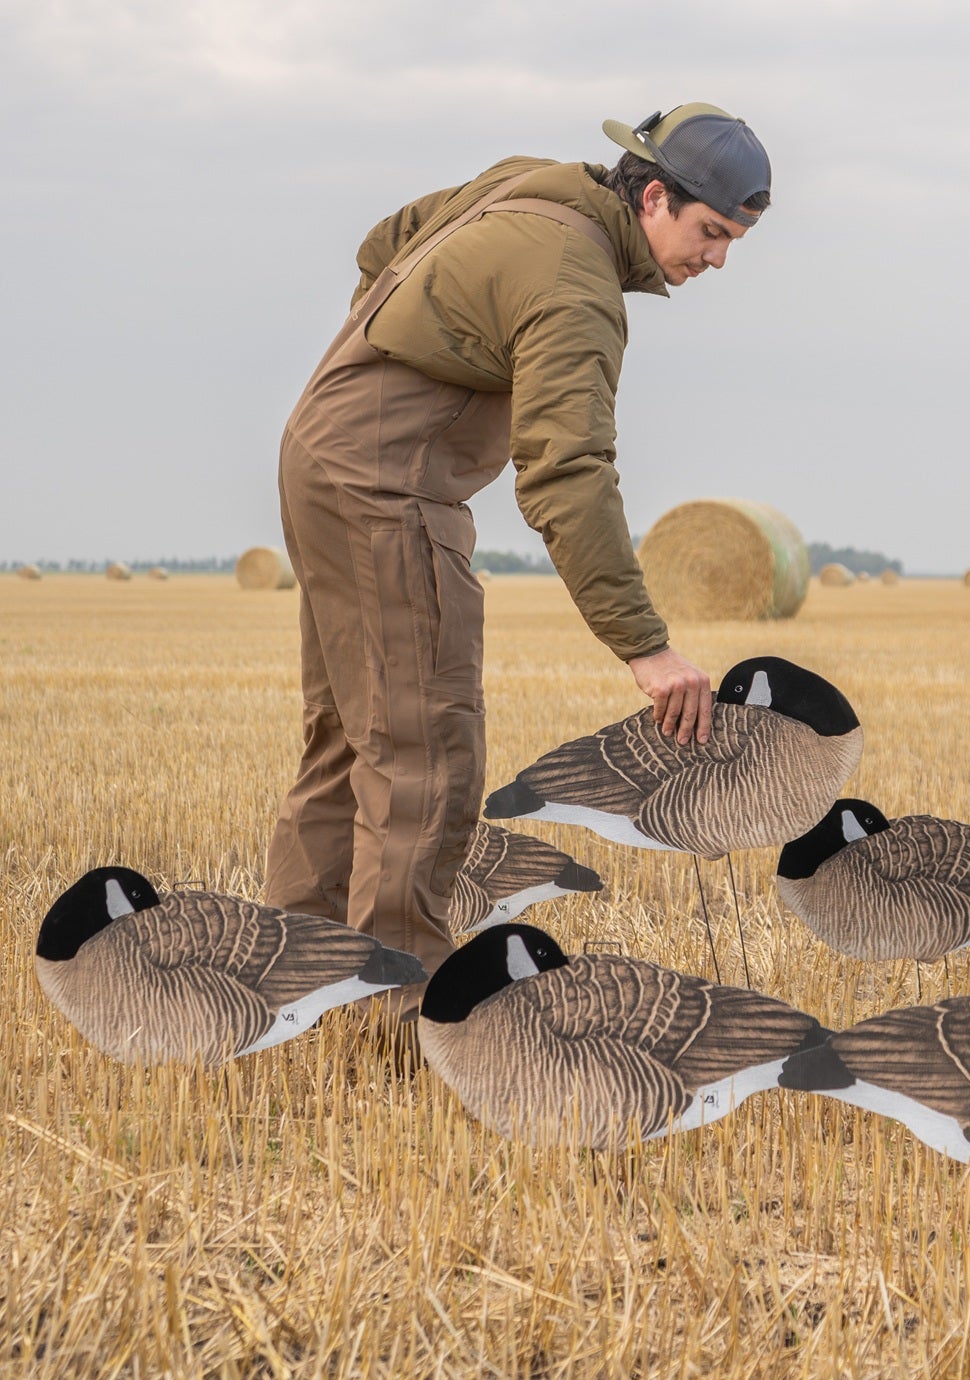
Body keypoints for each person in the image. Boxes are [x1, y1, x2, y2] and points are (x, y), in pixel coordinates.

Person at [263, 103, 772, 1005]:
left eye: (733, 240)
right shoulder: (576, 284)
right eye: (711, 232)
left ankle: (293, 985)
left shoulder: (525, 185)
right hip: (387, 486)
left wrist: (423, 349)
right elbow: (567, 470)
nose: (719, 258)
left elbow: (386, 242)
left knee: (351, 734)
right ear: (654, 196)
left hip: (322, 447)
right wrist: (645, 645)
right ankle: (396, 1013)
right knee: (425, 746)